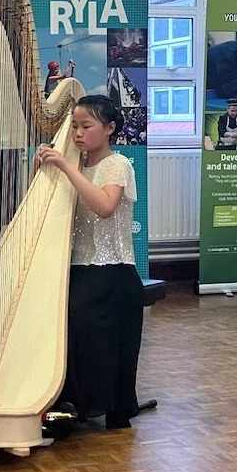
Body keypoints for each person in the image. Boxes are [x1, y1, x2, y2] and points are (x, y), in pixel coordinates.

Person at [38, 95, 144, 429]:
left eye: (86, 126)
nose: (78, 134)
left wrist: (67, 167)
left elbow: (104, 206)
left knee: (83, 322)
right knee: (59, 325)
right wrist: (43, 167)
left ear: (109, 128)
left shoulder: (117, 164)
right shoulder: (75, 165)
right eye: (74, 126)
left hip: (113, 272)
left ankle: (97, 405)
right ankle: (68, 402)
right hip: (78, 268)